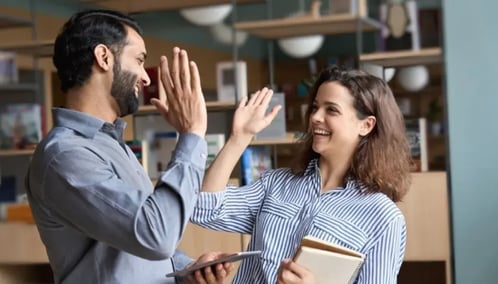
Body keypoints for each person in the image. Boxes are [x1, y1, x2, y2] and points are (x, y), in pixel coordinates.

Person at [26, 9, 233, 284]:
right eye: (139, 60)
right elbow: (156, 236)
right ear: (104, 57)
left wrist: (187, 270)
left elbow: (134, 243)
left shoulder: (111, 144)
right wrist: (192, 133)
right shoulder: (65, 156)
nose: (146, 78)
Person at [191, 66, 412, 283]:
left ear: (366, 125)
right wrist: (240, 137)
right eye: (315, 107)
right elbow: (204, 208)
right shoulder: (275, 184)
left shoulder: (383, 218)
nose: (315, 117)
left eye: (331, 110)